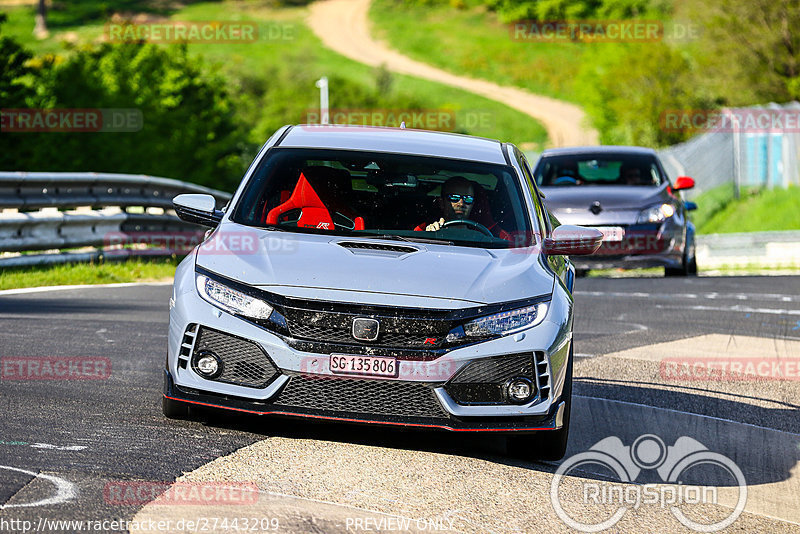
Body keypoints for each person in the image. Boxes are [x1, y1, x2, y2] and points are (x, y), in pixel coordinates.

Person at [414, 176, 510, 240]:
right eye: (454, 198)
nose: (461, 203)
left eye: (467, 199)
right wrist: (428, 236)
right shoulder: (425, 229)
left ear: (472, 204)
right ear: (441, 202)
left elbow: (511, 247)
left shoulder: (484, 236)